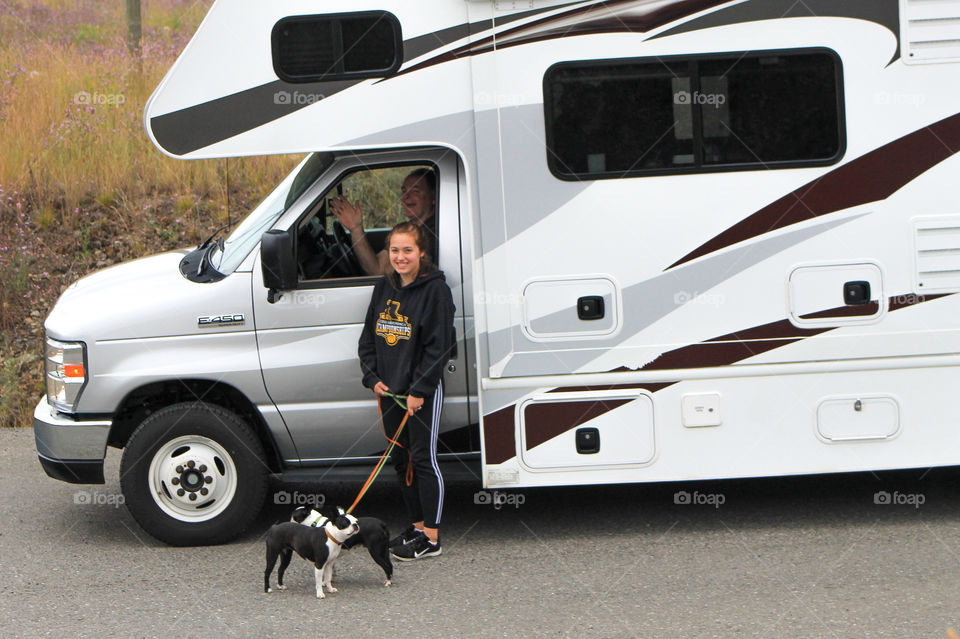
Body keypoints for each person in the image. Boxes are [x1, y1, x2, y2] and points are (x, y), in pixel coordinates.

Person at [357, 221, 456, 560]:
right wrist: (373, 378)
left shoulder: (436, 291)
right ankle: (416, 526)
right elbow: (368, 339)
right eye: (395, 250)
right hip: (390, 392)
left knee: (423, 458)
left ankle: (431, 537)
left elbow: (439, 346)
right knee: (403, 461)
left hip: (419, 393)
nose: (400, 257)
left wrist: (420, 389)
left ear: (421, 252)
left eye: (408, 250)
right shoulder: (383, 287)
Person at [330, 168, 438, 276]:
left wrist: (356, 229)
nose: (406, 197)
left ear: (433, 197)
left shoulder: (433, 234)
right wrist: (356, 228)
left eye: (415, 191)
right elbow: (378, 267)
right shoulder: (409, 230)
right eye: (404, 191)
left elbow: (377, 271)